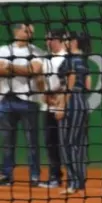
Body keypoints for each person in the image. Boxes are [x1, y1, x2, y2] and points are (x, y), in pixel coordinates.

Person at [0, 22, 46, 186]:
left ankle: (34, 176)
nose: (29, 34)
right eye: (26, 30)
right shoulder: (3, 50)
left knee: (32, 141)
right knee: (7, 141)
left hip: (29, 101)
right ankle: (6, 175)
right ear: (16, 31)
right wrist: (23, 69)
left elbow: (34, 70)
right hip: (6, 100)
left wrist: (10, 66)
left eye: (31, 32)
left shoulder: (37, 51)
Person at [58, 32, 92, 194]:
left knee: (67, 142)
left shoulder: (71, 60)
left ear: (74, 42)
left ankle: (72, 182)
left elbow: (70, 81)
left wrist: (61, 105)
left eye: (66, 39)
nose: (64, 42)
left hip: (71, 102)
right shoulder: (84, 61)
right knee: (78, 143)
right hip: (82, 102)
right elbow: (88, 85)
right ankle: (79, 181)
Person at [39, 29, 69, 189]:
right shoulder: (46, 59)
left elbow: (66, 84)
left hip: (62, 107)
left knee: (66, 143)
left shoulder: (67, 58)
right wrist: (45, 95)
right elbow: (43, 81)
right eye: (46, 39)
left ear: (59, 40)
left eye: (50, 39)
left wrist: (57, 101)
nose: (48, 42)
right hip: (47, 107)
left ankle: (74, 177)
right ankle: (55, 177)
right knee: (51, 143)